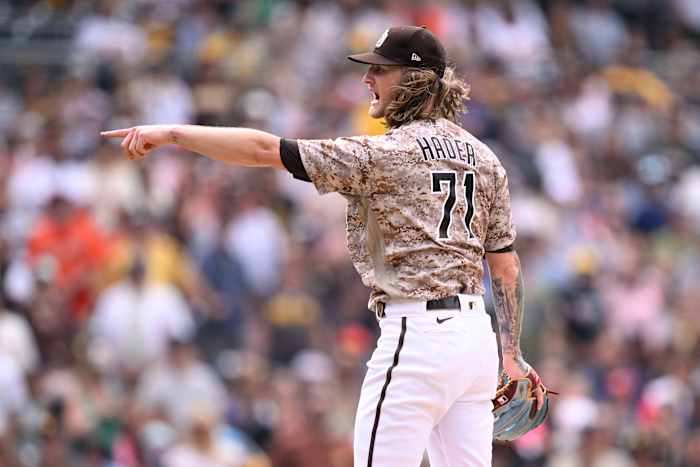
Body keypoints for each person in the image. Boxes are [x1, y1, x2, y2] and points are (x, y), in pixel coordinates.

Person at [103, 25, 544, 467]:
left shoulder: (386, 154)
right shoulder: (485, 159)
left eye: (381, 70)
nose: (368, 79)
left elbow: (262, 149)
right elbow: (504, 268)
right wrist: (512, 352)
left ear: (415, 80)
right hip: (476, 343)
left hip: (418, 338)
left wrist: (173, 135)